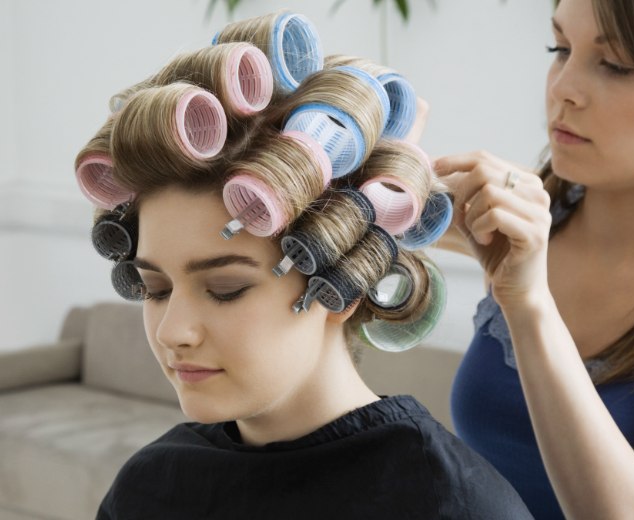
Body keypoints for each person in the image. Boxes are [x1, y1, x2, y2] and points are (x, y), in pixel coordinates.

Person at [74, 11, 533, 520]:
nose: (172, 332)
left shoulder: (450, 504)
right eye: (155, 288)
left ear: (345, 284)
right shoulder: (149, 488)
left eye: (225, 288)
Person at [435, 0, 634, 518]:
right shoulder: (534, 219)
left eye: (615, 65)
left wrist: (530, 306)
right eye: (560, 48)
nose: (563, 87)